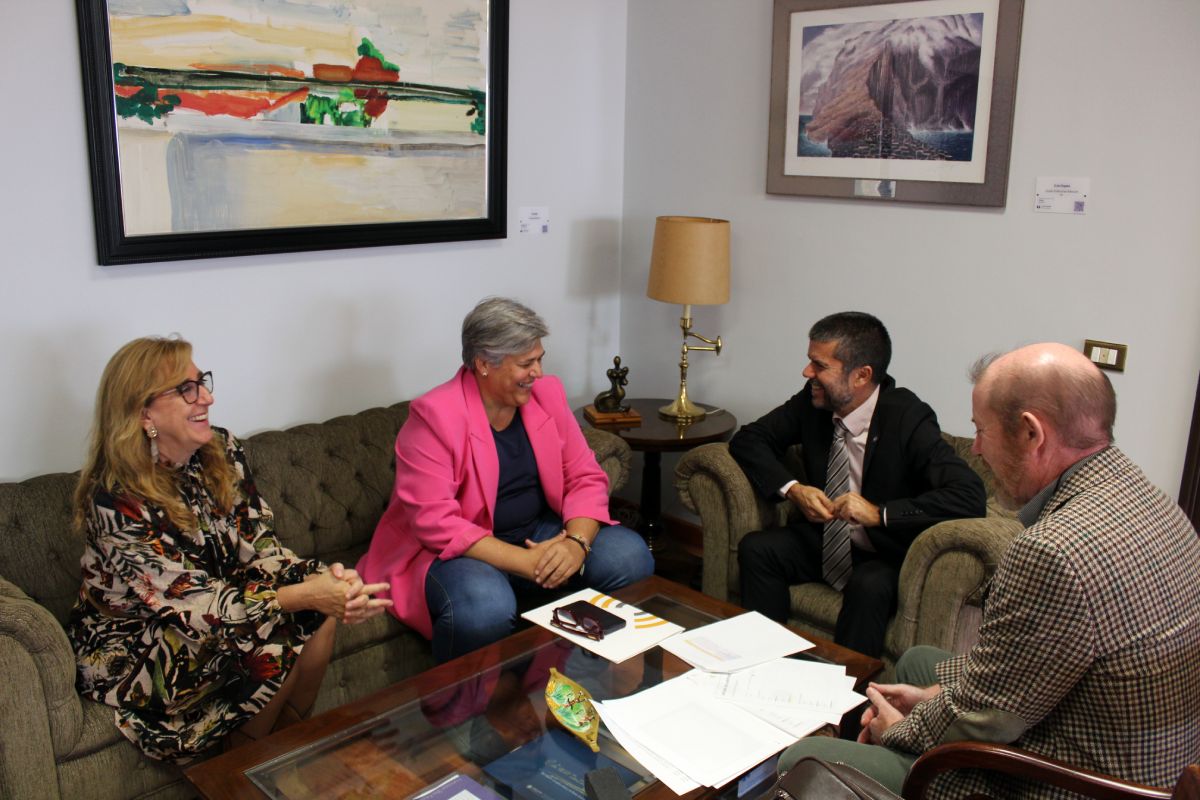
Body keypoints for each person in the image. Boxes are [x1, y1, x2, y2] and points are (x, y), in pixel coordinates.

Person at [778, 343, 1200, 797]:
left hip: (1073, 780)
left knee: (803, 760)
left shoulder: (1053, 553)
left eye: (981, 430)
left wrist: (898, 731)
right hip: (1140, 750)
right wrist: (934, 703)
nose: (976, 448)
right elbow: (1027, 671)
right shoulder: (1149, 496)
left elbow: (986, 720)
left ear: (1030, 433)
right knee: (920, 662)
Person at [67, 336, 392, 762]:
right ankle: (245, 771)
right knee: (273, 639)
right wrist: (305, 593)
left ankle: (282, 758)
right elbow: (194, 606)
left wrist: (325, 581)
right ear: (143, 411)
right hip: (139, 639)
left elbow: (261, 547)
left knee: (318, 614)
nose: (208, 397)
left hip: (219, 602)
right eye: (187, 389)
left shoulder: (220, 449)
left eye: (202, 382)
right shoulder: (114, 497)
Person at [358, 297, 654, 663]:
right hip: (462, 550)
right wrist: (526, 562)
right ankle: (456, 711)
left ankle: (591, 677)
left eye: (540, 359)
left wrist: (576, 543)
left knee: (629, 556)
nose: (538, 373)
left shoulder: (547, 395)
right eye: (526, 363)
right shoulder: (434, 416)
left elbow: (584, 476)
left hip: (539, 530)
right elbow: (435, 523)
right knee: (485, 606)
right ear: (484, 364)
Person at [730, 311, 985, 658]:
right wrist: (793, 489)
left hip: (884, 553)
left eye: (819, 365)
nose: (808, 373)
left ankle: (849, 697)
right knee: (758, 549)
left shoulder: (907, 418)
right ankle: (763, 663)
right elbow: (750, 439)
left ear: (861, 375)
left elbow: (969, 496)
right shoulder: (813, 400)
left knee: (869, 585)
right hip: (827, 539)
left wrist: (879, 513)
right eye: (810, 363)